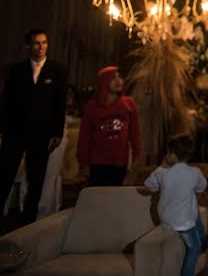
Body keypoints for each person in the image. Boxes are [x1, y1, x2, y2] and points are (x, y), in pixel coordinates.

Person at [0, 29, 67, 224]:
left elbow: (59, 104)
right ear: (28, 46)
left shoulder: (57, 70)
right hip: (15, 132)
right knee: (5, 174)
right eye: (37, 43)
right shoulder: (16, 70)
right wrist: (4, 130)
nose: (41, 47)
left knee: (36, 179)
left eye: (44, 43)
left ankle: (27, 222)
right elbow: (7, 102)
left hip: (42, 134)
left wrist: (57, 132)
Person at [144, 135, 208, 276]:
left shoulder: (162, 173)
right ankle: (202, 237)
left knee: (192, 205)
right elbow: (202, 187)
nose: (166, 156)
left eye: (168, 153)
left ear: (172, 155)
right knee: (195, 249)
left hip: (166, 219)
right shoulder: (195, 172)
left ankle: (202, 234)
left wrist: (161, 166)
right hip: (183, 223)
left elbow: (149, 185)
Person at [76, 66, 142, 187]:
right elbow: (84, 136)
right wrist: (83, 163)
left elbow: (135, 133)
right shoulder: (92, 106)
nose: (119, 81)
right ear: (104, 82)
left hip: (120, 162)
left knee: (115, 199)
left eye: (120, 77)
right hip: (97, 162)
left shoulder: (128, 104)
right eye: (113, 78)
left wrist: (136, 157)